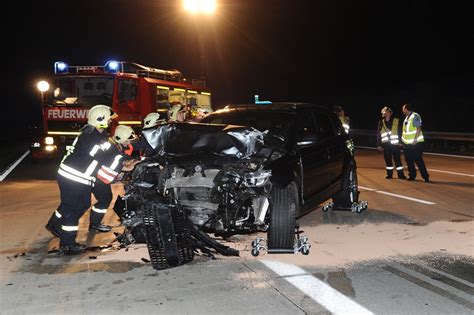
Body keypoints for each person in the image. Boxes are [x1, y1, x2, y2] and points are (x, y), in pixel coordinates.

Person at [45, 105, 137, 254]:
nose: (110, 121)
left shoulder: (98, 135)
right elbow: (99, 159)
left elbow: (106, 155)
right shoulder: (90, 139)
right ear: (100, 119)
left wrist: (123, 162)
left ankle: (55, 225)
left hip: (81, 177)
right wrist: (121, 166)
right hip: (73, 177)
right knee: (73, 209)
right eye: (108, 119)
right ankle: (67, 244)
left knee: (80, 205)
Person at [89, 125, 139, 233]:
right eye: (127, 141)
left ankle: (53, 224)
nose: (128, 143)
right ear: (120, 139)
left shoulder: (113, 145)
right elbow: (120, 165)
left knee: (76, 203)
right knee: (104, 199)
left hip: (93, 174)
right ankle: (94, 224)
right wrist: (132, 165)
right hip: (96, 177)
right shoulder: (113, 149)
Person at [401, 103, 430, 182]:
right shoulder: (407, 118)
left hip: (416, 144)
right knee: (409, 161)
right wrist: (403, 142)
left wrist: (415, 139)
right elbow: (406, 132)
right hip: (407, 144)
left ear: (406, 109)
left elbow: (418, 128)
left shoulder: (415, 116)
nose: (402, 110)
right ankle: (412, 176)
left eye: (403, 108)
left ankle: (425, 177)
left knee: (418, 160)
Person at [377, 106, 406, 179]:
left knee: (397, 160)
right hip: (386, 145)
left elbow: (400, 132)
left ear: (390, 113)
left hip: (395, 144)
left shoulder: (396, 120)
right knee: (388, 160)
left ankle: (401, 175)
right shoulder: (381, 122)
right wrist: (378, 144)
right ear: (383, 114)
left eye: (388, 112)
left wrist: (400, 142)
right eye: (385, 112)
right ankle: (389, 175)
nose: (386, 113)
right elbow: (379, 134)